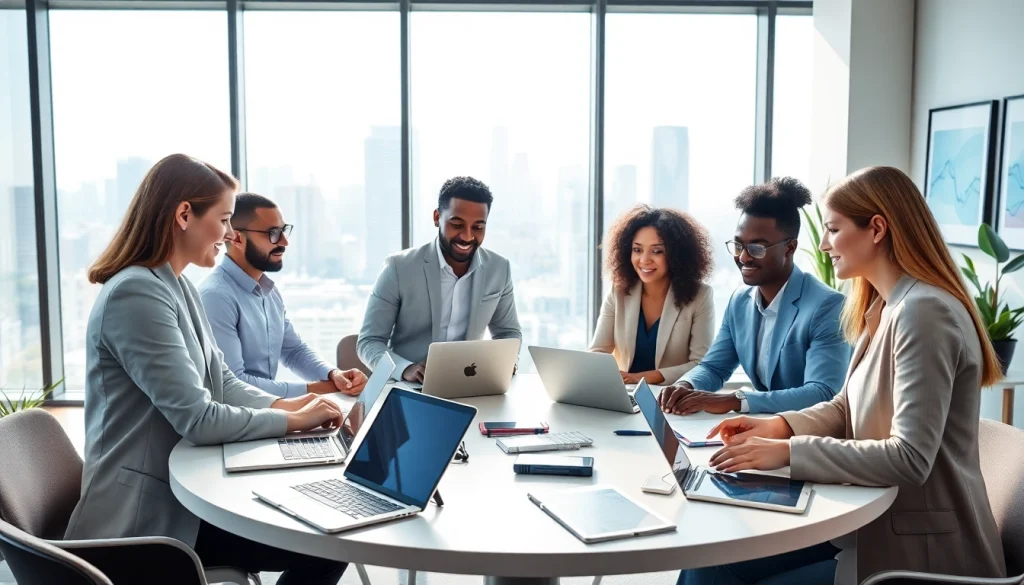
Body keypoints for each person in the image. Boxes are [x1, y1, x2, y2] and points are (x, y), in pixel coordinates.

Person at [688, 166, 1006, 585]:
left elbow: (910, 459)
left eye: (834, 230)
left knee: (725, 571)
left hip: (917, 552)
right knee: (711, 559)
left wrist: (788, 452)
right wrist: (778, 425)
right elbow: (846, 404)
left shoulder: (924, 313)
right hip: (871, 519)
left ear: (876, 228)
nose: (823, 244)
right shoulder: (886, 306)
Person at [64, 154, 348, 585]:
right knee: (324, 545)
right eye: (224, 219)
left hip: (178, 494)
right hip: (146, 522)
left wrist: (287, 403)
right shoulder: (136, 294)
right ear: (184, 215)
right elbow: (197, 417)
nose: (230, 234)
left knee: (313, 525)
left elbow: (222, 382)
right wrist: (290, 421)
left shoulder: (174, 284)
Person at [659, 177, 851, 415]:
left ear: (789, 248)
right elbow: (714, 368)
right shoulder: (740, 301)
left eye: (757, 248)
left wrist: (734, 401)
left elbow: (823, 392)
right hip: (763, 431)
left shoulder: (828, 306)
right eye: (739, 245)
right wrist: (685, 386)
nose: (744, 257)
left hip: (810, 437)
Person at [198, 193, 368, 399]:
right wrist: (318, 389)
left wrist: (335, 375)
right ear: (237, 238)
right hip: (239, 420)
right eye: (273, 233)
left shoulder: (268, 291)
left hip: (268, 414)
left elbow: (293, 351)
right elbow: (235, 384)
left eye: (284, 231)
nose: (284, 242)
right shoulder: (215, 297)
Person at [357, 176, 522, 382]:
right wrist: (405, 369)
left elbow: (507, 332)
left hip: (470, 385)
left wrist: (508, 361)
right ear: (437, 217)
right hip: (411, 387)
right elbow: (369, 341)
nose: (467, 236)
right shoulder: (398, 268)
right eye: (457, 224)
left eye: (478, 227)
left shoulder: (499, 269)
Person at [589, 204, 715, 384]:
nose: (644, 260)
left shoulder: (700, 296)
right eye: (637, 250)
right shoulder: (618, 292)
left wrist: (638, 378)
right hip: (625, 394)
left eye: (657, 251)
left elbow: (700, 364)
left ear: (677, 255)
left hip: (671, 397)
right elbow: (598, 351)